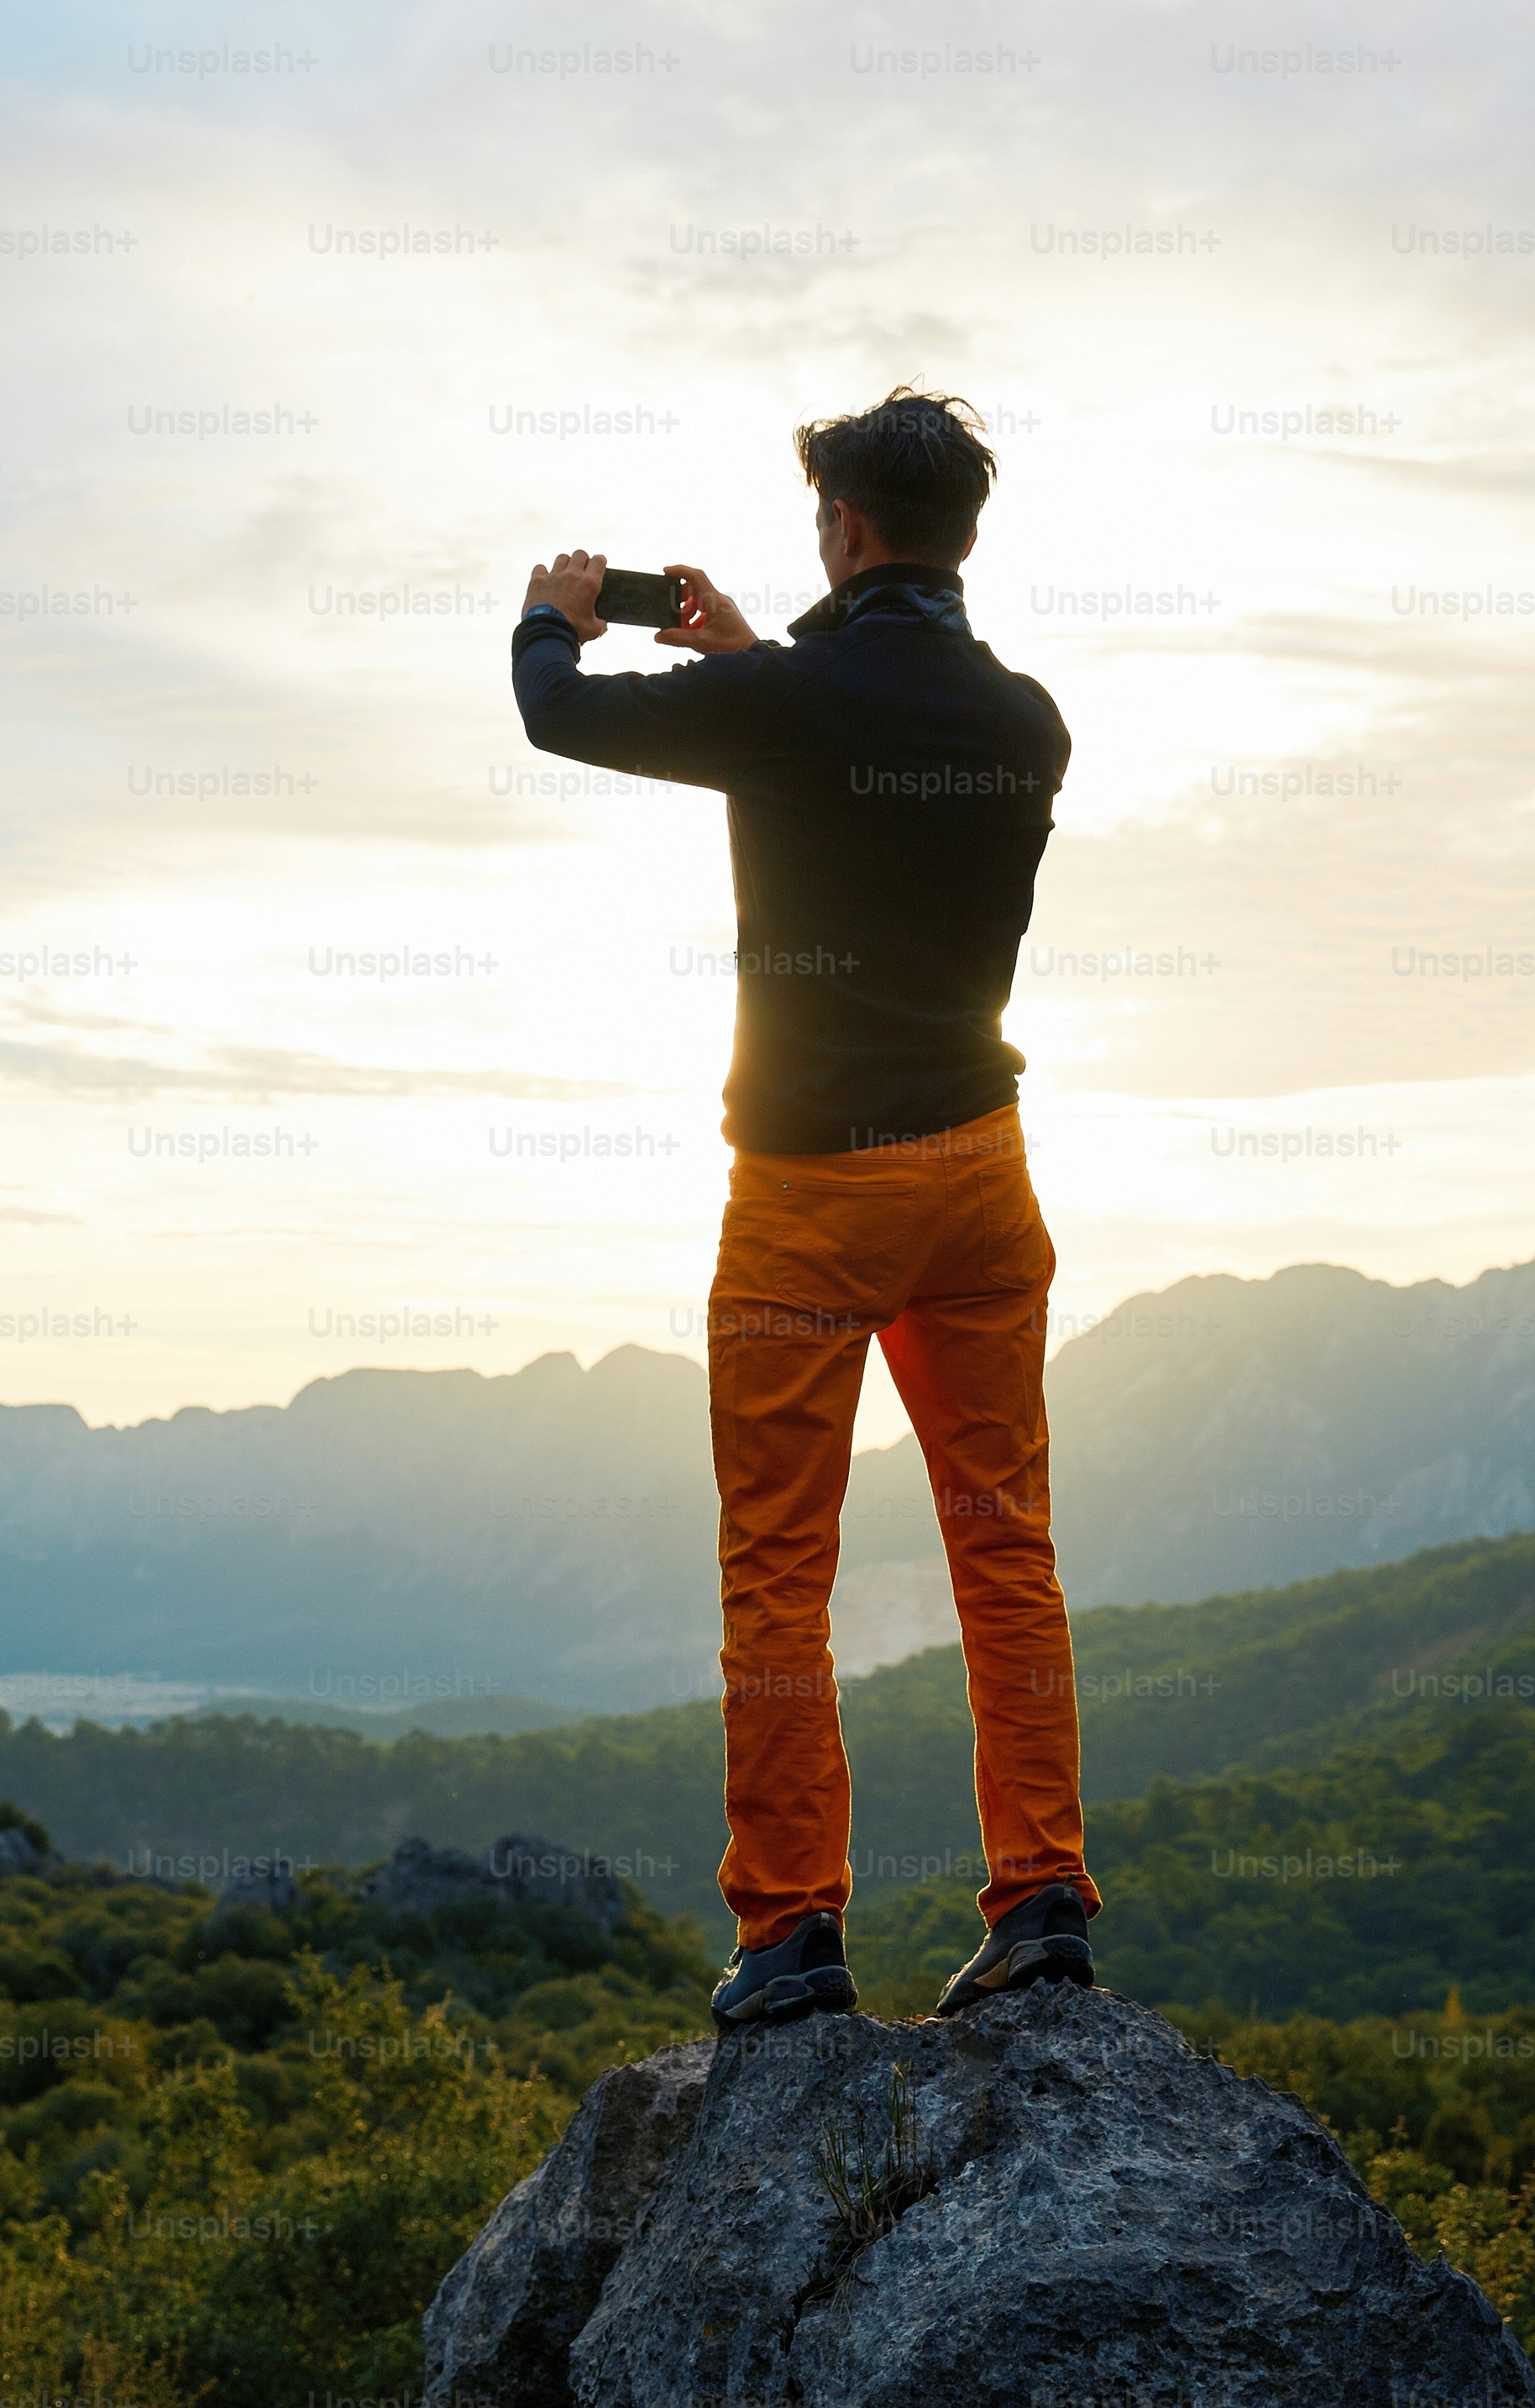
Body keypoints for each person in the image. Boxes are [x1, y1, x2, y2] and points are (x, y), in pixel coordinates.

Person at [507, 388, 1098, 2024]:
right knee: (1005, 1550)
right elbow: (853, 750)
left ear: (842, 525)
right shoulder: (1025, 722)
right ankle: (1041, 1902)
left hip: (805, 1193)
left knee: (777, 1566)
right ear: (958, 530)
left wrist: (549, 618)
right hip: (980, 1175)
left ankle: (789, 1938)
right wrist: (751, 658)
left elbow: (562, 717)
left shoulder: (786, 701)